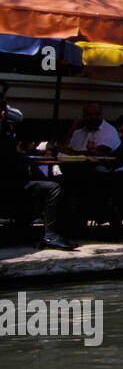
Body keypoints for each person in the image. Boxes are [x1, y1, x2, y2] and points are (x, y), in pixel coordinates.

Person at [1, 86, 76, 250]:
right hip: (9, 184)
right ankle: (50, 235)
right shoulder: (5, 131)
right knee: (53, 187)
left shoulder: (6, 131)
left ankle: (23, 228)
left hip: (10, 181)